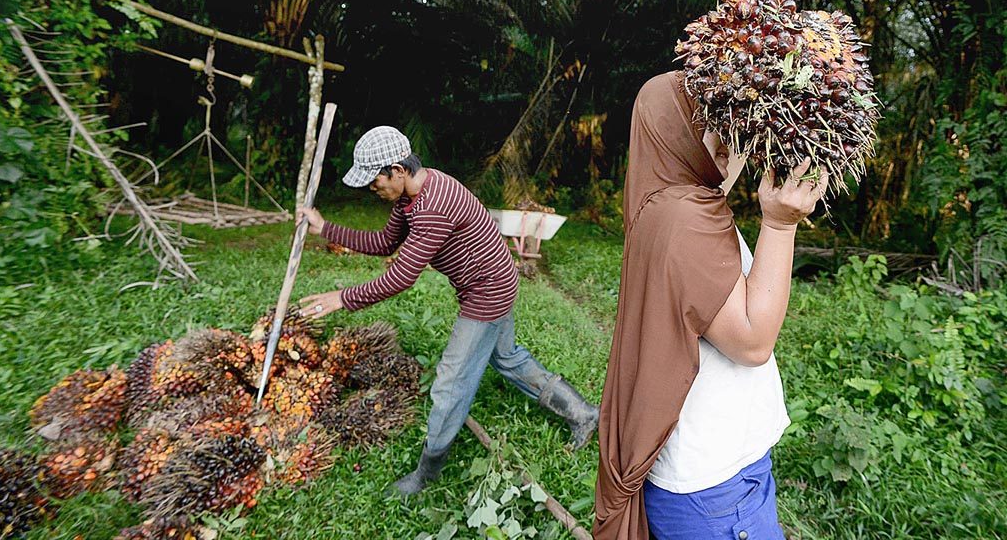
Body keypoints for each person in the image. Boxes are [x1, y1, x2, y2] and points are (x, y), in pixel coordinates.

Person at [296, 125, 599, 496]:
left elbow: (401, 277)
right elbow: (385, 242)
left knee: (450, 383)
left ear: (398, 170)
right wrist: (326, 227)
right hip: (491, 279)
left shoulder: (433, 206)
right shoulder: (409, 200)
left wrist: (342, 298)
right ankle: (583, 413)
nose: (371, 189)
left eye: (374, 181)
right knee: (507, 358)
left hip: (487, 290)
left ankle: (427, 473)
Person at [593, 72, 828, 539]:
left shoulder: (667, 201)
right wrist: (780, 226)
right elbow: (753, 341)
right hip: (716, 488)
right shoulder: (685, 218)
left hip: (716, 470)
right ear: (673, 131)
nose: (725, 135)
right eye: (706, 121)